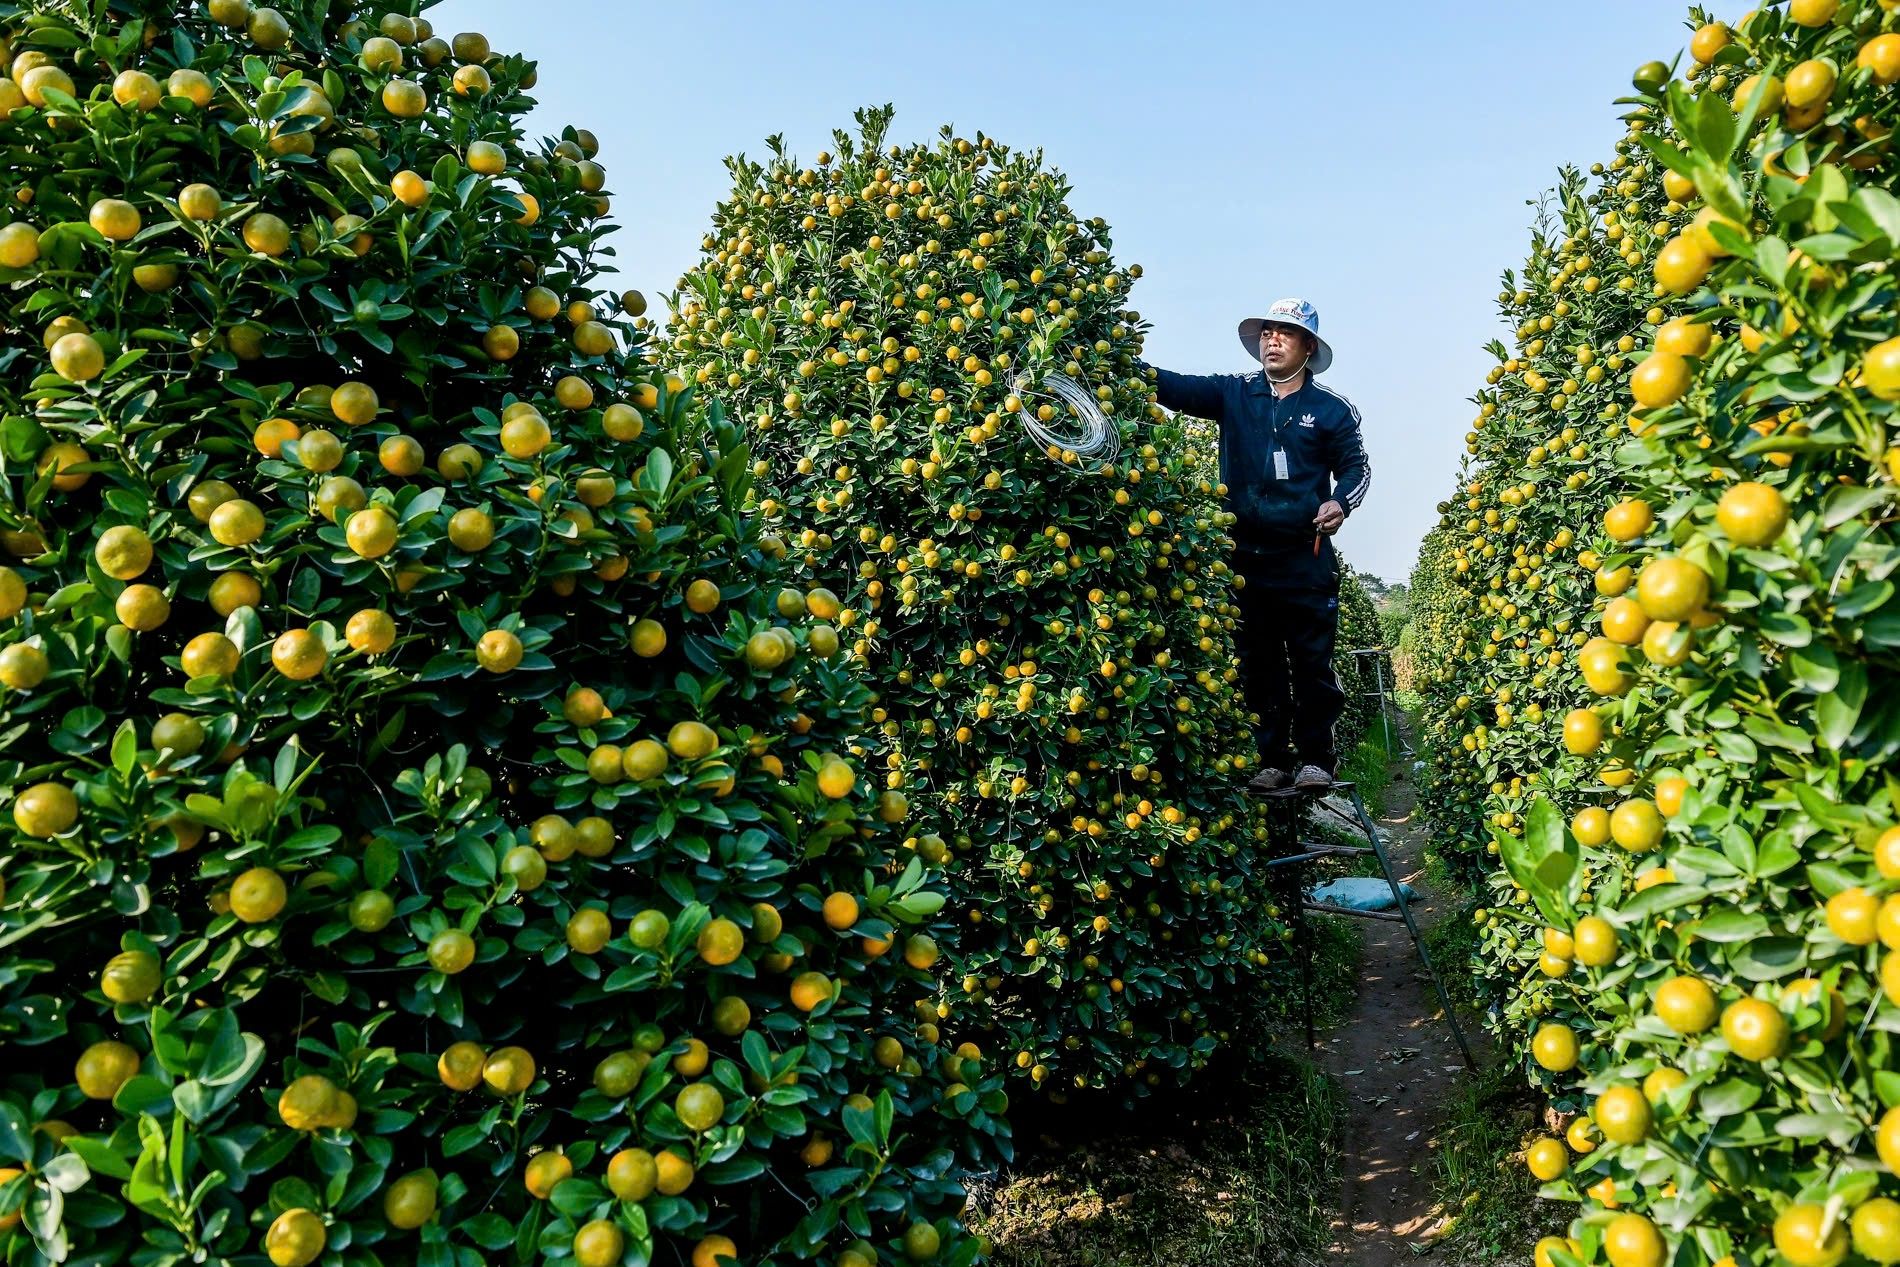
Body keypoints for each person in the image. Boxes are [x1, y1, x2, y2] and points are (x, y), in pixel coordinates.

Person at [1143, 297, 1370, 791]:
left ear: (1307, 346)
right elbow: (1172, 387)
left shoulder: (1331, 410)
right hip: (1244, 560)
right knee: (1258, 665)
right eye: (1267, 332)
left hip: (1303, 560)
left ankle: (1315, 758)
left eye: (1285, 333)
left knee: (1311, 664)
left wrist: (1339, 503)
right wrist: (1118, 359)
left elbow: (1357, 469)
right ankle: (1272, 758)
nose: (1273, 340)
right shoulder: (1234, 394)